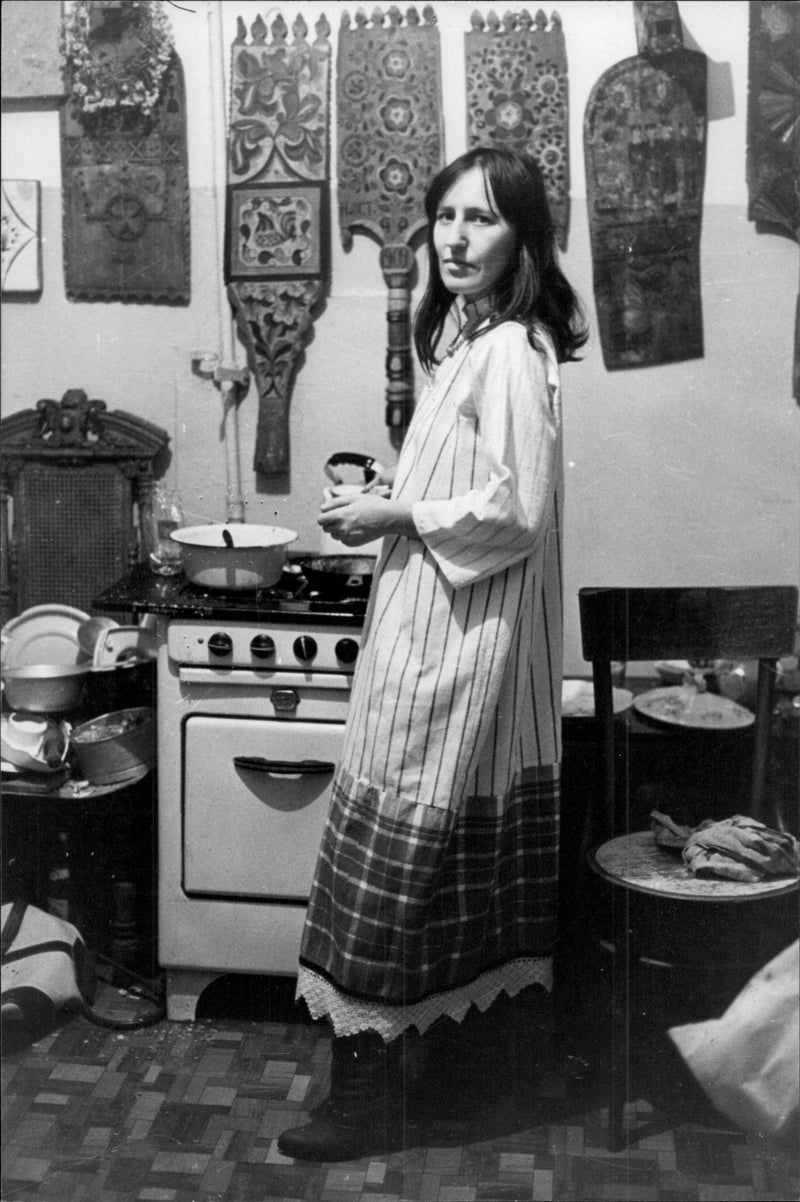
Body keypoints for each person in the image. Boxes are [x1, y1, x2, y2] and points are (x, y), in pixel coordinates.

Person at [278, 146, 588, 1162]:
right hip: (443, 629)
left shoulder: (506, 350)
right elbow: (474, 482)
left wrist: (393, 508)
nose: (456, 238)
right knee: (446, 859)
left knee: (396, 862)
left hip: (458, 644)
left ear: (523, 237)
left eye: (483, 220)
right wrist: (396, 486)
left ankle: (369, 1099)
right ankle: (446, 1074)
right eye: (445, 216)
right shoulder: (471, 337)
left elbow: (511, 509)